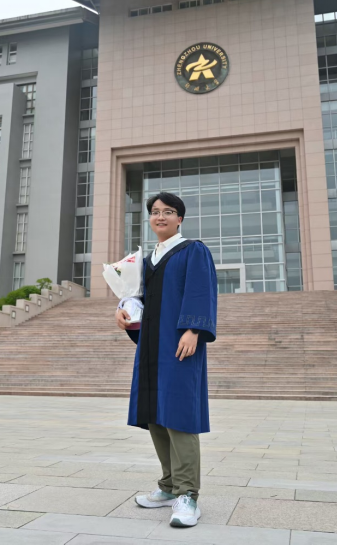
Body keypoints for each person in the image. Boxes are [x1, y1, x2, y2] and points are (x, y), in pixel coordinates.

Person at [115, 191, 218, 528]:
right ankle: (169, 486)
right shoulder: (147, 261)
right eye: (155, 212)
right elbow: (140, 299)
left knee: (179, 415)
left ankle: (188, 495)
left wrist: (193, 329)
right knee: (155, 414)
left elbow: (200, 291)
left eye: (168, 211)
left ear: (179, 219)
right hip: (151, 345)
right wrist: (125, 311)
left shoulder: (193, 250)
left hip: (179, 344)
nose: (160, 216)